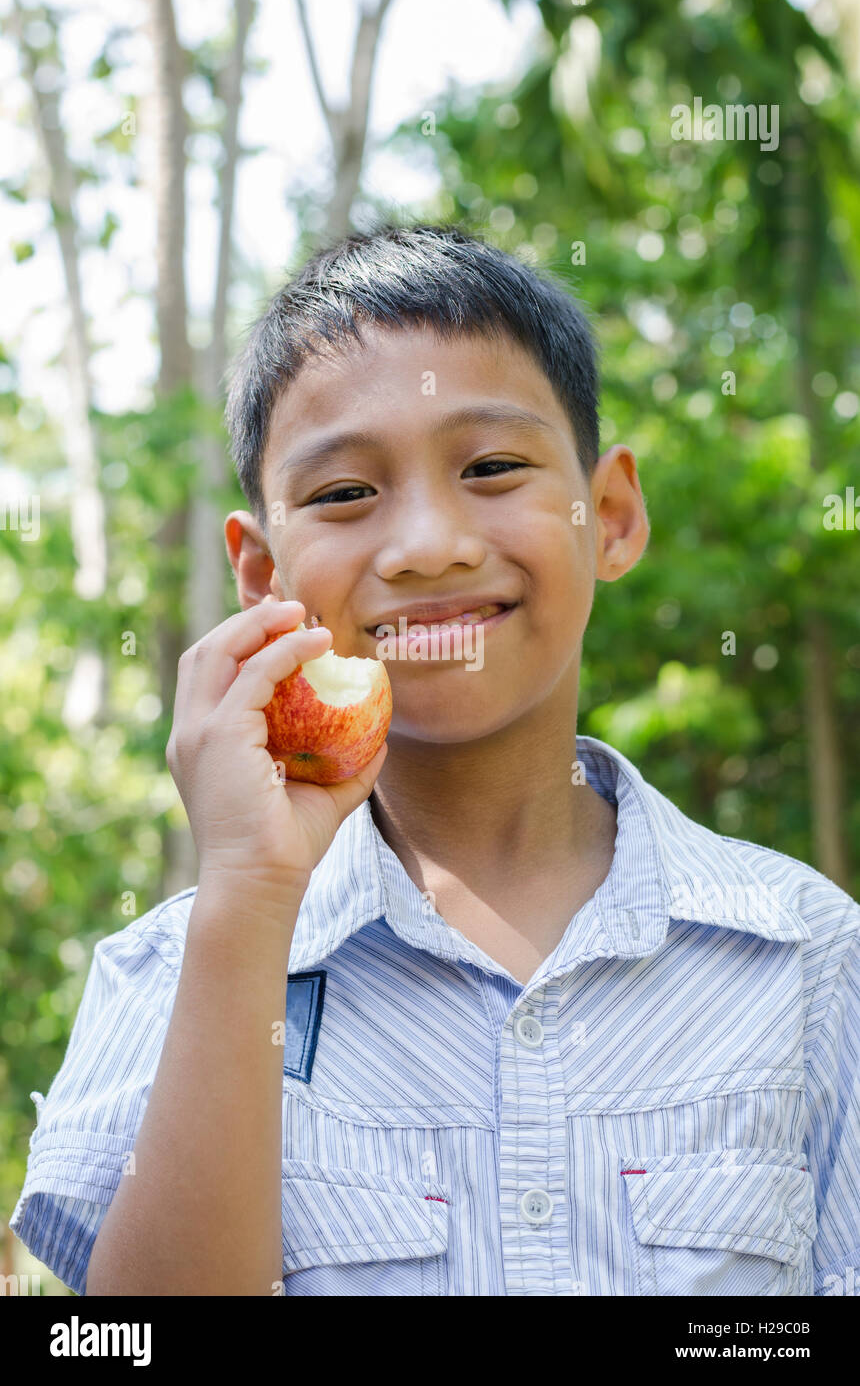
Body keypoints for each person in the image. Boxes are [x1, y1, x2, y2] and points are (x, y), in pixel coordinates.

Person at [11, 224, 858, 1296]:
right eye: (343, 494)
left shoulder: (806, 957)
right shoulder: (170, 973)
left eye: (491, 467)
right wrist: (250, 895)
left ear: (608, 515)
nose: (425, 544)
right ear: (263, 571)